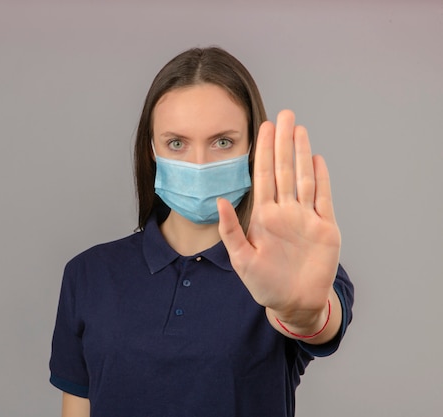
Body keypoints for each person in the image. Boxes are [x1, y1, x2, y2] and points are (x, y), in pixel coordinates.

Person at [49, 46, 354, 417]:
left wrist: (301, 314)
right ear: (151, 150)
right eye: (176, 143)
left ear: (252, 148)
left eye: (222, 142)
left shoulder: (286, 270)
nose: (198, 164)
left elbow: (320, 321)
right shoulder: (88, 274)